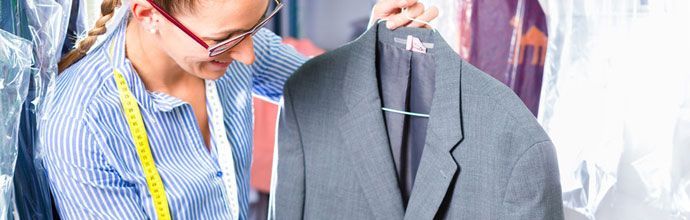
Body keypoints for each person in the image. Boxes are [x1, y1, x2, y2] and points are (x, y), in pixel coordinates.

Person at [41, 0, 439, 219]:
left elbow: (330, 91)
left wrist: (372, 41)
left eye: (254, 28)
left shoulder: (222, 53)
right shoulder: (82, 125)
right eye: (226, 38)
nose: (248, 55)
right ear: (148, 15)